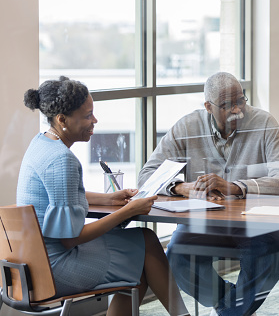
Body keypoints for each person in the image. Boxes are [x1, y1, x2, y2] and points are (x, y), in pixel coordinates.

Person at [17, 77, 189, 316]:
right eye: (87, 115)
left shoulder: (41, 144)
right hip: (56, 268)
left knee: (138, 261)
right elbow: (70, 239)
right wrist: (128, 211)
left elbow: (60, 198)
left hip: (31, 264)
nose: (94, 121)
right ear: (62, 119)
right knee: (147, 241)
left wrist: (109, 199)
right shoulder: (62, 160)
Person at [138, 71, 279, 316]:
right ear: (208, 106)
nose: (237, 110)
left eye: (240, 100)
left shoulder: (265, 123)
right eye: (227, 105)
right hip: (206, 223)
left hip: (258, 223)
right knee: (178, 256)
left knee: (271, 253)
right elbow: (147, 175)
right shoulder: (188, 126)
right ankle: (231, 307)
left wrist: (235, 187)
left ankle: (228, 312)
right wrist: (182, 187)